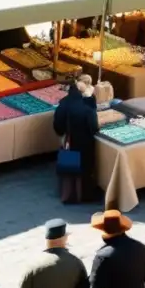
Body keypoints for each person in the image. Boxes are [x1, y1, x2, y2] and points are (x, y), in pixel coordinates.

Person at [53, 77, 99, 205]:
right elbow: (94, 128)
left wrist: (63, 134)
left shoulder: (63, 103)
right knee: (85, 170)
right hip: (84, 143)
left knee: (69, 170)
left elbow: (58, 125)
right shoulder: (87, 107)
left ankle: (68, 194)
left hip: (69, 141)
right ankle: (84, 195)